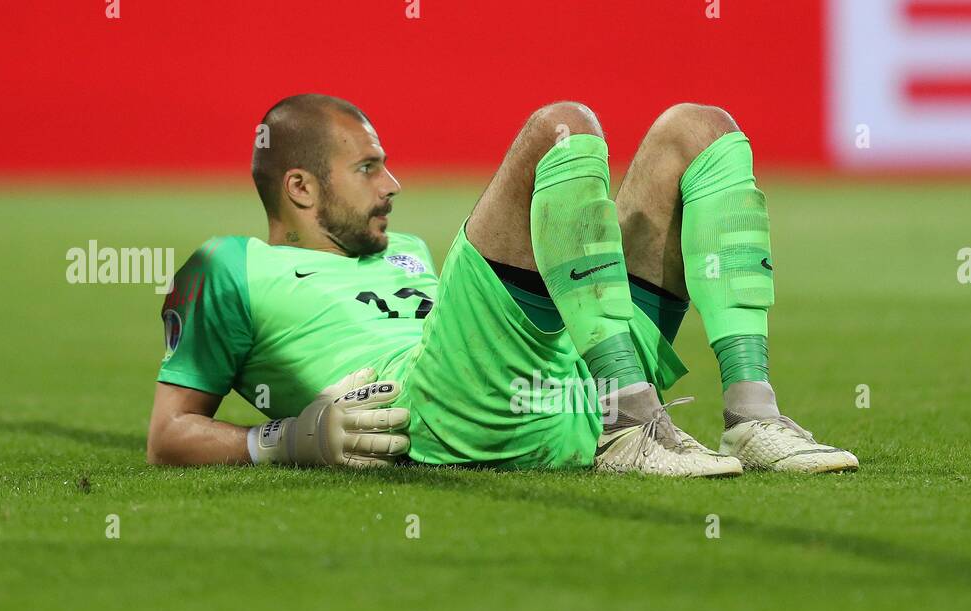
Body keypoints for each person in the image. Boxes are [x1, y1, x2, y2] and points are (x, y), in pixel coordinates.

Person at [146, 94, 857, 476]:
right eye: (367, 168)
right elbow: (167, 434)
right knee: (561, 129)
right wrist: (286, 439)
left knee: (699, 130)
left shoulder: (407, 251)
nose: (393, 184)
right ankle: (629, 427)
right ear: (299, 187)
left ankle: (752, 416)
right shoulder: (227, 267)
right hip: (446, 408)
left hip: (561, 383)